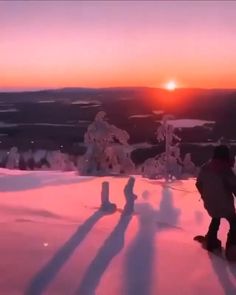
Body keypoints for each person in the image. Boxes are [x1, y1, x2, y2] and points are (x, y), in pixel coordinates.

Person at [196, 145, 236, 257]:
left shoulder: (205, 167)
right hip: (226, 205)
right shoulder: (226, 170)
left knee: (216, 217)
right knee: (234, 221)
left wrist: (205, 195)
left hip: (210, 203)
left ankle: (211, 241)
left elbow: (198, 184)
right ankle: (232, 247)